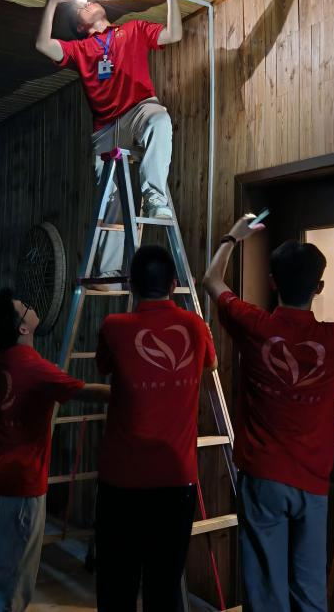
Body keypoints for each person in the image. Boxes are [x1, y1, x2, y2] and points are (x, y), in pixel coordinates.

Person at [202, 216, 334, 612]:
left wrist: (232, 237)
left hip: (262, 477)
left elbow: (211, 280)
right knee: (310, 592)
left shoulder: (254, 325)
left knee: (265, 591)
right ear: (319, 287)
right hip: (313, 482)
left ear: (272, 282)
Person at [34, 0, 183, 285]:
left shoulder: (132, 30)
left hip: (139, 109)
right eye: (82, 8)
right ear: (79, 26)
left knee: (159, 119)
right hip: (105, 130)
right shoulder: (80, 49)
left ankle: (155, 199)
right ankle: (111, 271)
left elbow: (172, 35)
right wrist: (54, 0)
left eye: (91, 2)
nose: (88, 4)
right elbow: (43, 44)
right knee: (111, 196)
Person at [0, 288, 110, 612]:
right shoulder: (34, 367)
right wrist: (131, 392)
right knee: (13, 576)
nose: (32, 306)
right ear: (23, 327)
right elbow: (86, 391)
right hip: (21, 484)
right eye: (26, 306)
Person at [93, 245, 217, 612]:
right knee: (164, 587)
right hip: (176, 480)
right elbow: (212, 365)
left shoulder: (114, 327)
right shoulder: (194, 326)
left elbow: (103, 366)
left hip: (121, 481)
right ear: (174, 284)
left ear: (131, 285)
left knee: (116, 588)